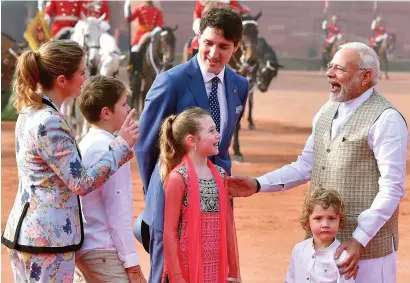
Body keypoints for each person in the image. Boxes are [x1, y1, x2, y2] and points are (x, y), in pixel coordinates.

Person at [229, 42, 407, 283]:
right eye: (330, 66)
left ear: (365, 77)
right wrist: (259, 184)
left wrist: (360, 239)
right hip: (320, 248)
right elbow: (306, 165)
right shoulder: (327, 110)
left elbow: (392, 188)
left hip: (368, 253)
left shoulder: (386, 119)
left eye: (340, 69)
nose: (329, 73)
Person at [1, 39, 139, 282]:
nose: (86, 79)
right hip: (48, 241)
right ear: (62, 81)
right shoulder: (50, 121)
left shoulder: (30, 112)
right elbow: (81, 183)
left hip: (31, 235)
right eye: (82, 72)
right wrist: (121, 146)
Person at [134, 7, 248, 283]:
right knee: (167, 271)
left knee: (210, 266)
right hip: (173, 194)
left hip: (215, 195)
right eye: (208, 43)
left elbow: (223, 143)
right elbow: (145, 145)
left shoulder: (239, 85)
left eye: (223, 46)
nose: (213, 53)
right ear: (198, 38)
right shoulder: (170, 82)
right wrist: (157, 194)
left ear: (236, 47)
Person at [74, 75, 146, 283]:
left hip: (86, 249)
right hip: (104, 251)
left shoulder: (87, 141)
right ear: (106, 113)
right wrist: (132, 264)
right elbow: (118, 212)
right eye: (123, 104)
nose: (128, 109)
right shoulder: (113, 149)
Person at [160, 107, 240, 283]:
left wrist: (233, 272)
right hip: (187, 269)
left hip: (216, 268)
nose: (218, 135)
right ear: (192, 140)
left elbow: (227, 225)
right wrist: (177, 277)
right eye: (211, 131)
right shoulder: (178, 178)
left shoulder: (220, 175)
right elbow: (170, 232)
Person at [285, 188, 354, 283]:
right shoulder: (298, 249)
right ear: (307, 222)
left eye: (331, 218)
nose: (325, 224)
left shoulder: (343, 257)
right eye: (318, 218)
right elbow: (290, 279)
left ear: (340, 222)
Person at [124, 0, 164, 74]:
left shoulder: (157, 11)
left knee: (163, 48)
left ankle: (163, 66)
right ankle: (133, 67)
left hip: (154, 33)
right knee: (134, 48)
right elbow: (129, 19)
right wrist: (126, 8)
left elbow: (160, 25)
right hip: (142, 33)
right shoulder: (139, 10)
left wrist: (154, 32)